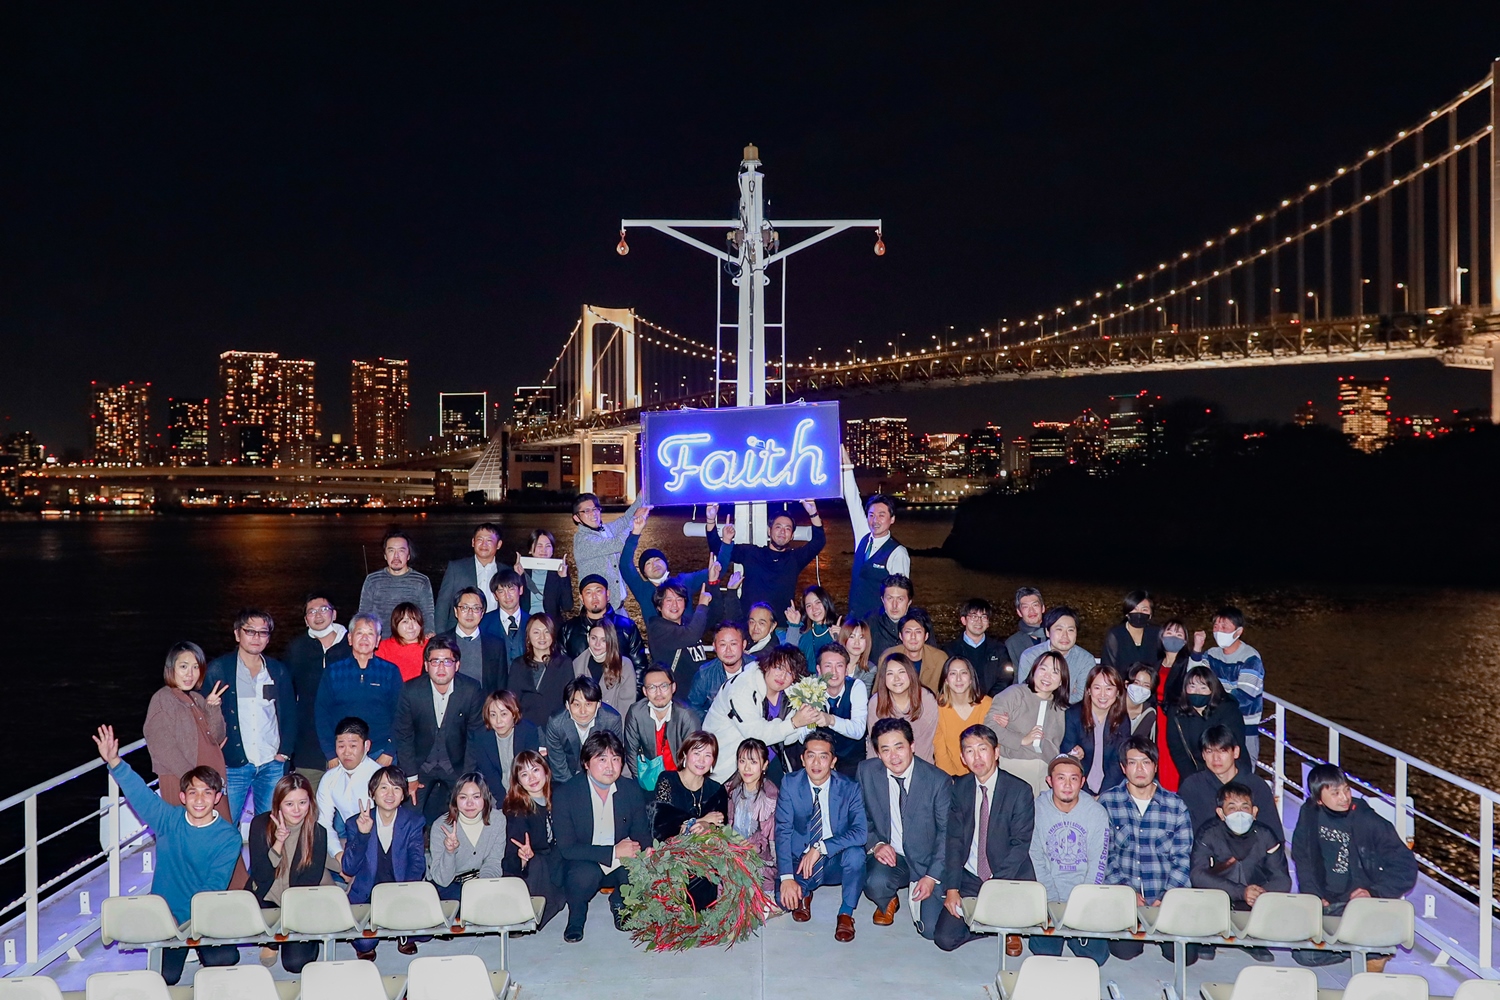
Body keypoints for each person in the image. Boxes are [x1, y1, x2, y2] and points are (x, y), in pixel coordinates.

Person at [92, 725, 241, 985]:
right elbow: (140, 794)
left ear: (217, 798)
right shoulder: (168, 820)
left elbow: (213, 886)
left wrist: (187, 924)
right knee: (167, 977)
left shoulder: (229, 837)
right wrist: (114, 761)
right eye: (193, 792)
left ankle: (199, 949)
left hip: (202, 914)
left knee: (224, 961)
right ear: (182, 796)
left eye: (207, 792)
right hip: (166, 913)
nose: (199, 799)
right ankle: (181, 948)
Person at [1290, 764, 1418, 970]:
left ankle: (1371, 946)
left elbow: (1406, 866)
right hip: (1328, 903)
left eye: (1346, 789)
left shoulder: (1368, 821)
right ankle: (1362, 945)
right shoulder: (1309, 813)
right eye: (1336, 793)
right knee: (1304, 956)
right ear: (1319, 800)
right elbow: (1302, 856)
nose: (1344, 797)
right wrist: (1312, 894)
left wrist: (1374, 892)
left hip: (1360, 903)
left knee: (1363, 939)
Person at [933, 725, 1038, 953]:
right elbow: (953, 842)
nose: (977, 757)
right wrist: (952, 889)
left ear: (996, 752)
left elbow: (1020, 845)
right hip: (970, 876)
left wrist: (995, 888)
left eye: (983, 749)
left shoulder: (1019, 790)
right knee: (944, 939)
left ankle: (1005, 924)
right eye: (969, 751)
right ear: (962, 758)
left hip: (1007, 876)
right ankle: (994, 926)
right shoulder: (960, 788)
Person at [1099, 737, 1194, 962]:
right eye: (1133, 763)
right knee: (1125, 952)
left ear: (1156, 766)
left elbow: (1183, 858)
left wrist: (1166, 897)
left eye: (1146, 762)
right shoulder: (1108, 802)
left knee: (1185, 956)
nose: (1140, 769)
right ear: (1123, 768)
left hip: (1166, 896)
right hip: (1124, 897)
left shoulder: (1175, 806)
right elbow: (1105, 856)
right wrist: (1127, 891)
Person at [554, 730, 651, 942]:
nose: (610, 766)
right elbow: (567, 848)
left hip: (622, 859)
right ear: (586, 763)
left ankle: (621, 904)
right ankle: (576, 917)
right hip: (586, 859)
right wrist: (613, 851)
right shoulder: (565, 794)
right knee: (581, 876)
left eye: (616, 759)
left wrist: (642, 851)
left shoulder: (631, 790)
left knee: (637, 870)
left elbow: (642, 834)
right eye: (602, 759)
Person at [858, 718, 951, 939]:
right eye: (885, 750)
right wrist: (876, 844)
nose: (894, 756)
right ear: (878, 754)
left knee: (930, 931)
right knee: (874, 883)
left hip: (927, 862)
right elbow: (859, 815)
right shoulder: (867, 772)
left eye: (899, 747)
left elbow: (947, 834)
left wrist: (931, 877)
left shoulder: (938, 781)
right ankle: (889, 897)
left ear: (912, 746)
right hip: (893, 856)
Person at [203, 608, 296, 824]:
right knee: (225, 825)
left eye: (263, 633)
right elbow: (202, 717)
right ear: (237, 634)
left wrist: (284, 752)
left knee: (269, 828)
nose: (256, 637)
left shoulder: (277, 671)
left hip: (271, 762)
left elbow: (290, 714)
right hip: (233, 765)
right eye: (250, 631)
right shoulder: (219, 670)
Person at [775, 729, 868, 941]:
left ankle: (846, 913)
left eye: (823, 756)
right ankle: (804, 893)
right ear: (802, 759)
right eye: (811, 755)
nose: (816, 763)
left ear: (833, 761)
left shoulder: (849, 788)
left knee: (856, 854)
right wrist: (787, 878)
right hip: (801, 860)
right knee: (784, 900)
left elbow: (861, 833)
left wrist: (821, 847)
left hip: (834, 858)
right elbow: (783, 831)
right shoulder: (790, 784)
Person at [1024, 755, 1111, 963]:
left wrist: (1082, 903)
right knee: (1045, 953)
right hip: (1048, 894)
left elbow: (1098, 863)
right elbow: (1035, 857)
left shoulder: (1096, 814)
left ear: (1082, 782)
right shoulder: (1036, 811)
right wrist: (1052, 901)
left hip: (1084, 896)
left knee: (1095, 957)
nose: (1067, 785)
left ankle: (1076, 933)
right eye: (1060, 778)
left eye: (1073, 779)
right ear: (1049, 781)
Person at [392, 636, 486, 825]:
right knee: (408, 817)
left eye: (447, 662)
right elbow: (404, 735)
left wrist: (467, 778)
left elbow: (475, 736)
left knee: (468, 813)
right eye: (435, 662)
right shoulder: (411, 690)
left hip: (456, 765)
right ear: (426, 666)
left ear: (457, 665)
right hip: (420, 765)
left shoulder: (471, 690)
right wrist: (410, 776)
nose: (441, 668)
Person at [247, 773, 332, 973]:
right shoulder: (260, 824)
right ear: (278, 804)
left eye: (302, 802)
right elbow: (261, 875)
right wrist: (278, 843)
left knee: (295, 964)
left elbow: (309, 883)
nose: (296, 810)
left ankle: (295, 934)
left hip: (298, 901)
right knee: (254, 924)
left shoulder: (318, 833)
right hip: (267, 895)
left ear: (310, 803)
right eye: (289, 804)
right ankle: (273, 941)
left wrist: (293, 919)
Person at [343, 765, 427, 959]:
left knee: (426, 931)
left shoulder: (414, 821)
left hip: (400, 891)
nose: (390, 794)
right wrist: (362, 836)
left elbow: (417, 864)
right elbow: (349, 867)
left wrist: (403, 895)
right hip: (367, 894)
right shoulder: (355, 822)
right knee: (365, 942)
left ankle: (403, 932)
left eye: (396, 788)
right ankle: (387, 929)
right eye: (383, 788)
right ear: (372, 793)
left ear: (404, 793)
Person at [704, 644, 820, 783]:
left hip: (765, 756)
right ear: (766, 665)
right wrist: (794, 723)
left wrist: (807, 719)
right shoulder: (742, 689)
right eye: (778, 668)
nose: (782, 676)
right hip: (730, 763)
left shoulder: (790, 693)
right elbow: (756, 735)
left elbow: (788, 738)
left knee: (785, 791)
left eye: (789, 673)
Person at [144, 641, 231, 821]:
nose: (189, 674)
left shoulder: (197, 699)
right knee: (191, 839)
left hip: (209, 783)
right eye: (183, 667)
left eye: (195, 667)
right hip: (184, 785)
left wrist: (213, 707)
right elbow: (164, 748)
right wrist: (194, 783)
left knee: (220, 835)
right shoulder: (163, 699)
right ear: (171, 669)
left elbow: (218, 736)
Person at [1190, 782, 1291, 928]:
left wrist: (1259, 894)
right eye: (1232, 808)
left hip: (1257, 906)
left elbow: (1283, 879)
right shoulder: (1208, 834)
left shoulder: (1266, 835)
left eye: (1245, 807)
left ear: (1254, 811)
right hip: (1215, 905)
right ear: (1220, 813)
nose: (1240, 813)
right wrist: (1241, 892)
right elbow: (1197, 875)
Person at [706, 499, 825, 623]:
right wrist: (710, 519)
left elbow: (818, 542)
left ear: (792, 535)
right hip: (749, 626)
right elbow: (717, 547)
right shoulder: (751, 553)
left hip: (780, 629)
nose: (782, 531)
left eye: (787, 528)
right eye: (778, 527)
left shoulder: (795, 559)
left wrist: (813, 513)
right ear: (769, 531)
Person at [315, 613, 401, 770]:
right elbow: (321, 714)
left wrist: (389, 751)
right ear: (349, 638)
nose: (364, 638)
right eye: (359, 633)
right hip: (343, 753)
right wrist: (331, 754)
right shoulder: (333, 671)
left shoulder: (390, 671)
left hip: (380, 752)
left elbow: (400, 714)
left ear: (377, 640)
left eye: (370, 634)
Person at [285, 592, 352, 790]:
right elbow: (288, 694)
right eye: (311, 611)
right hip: (308, 743)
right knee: (306, 802)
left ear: (334, 614)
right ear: (306, 620)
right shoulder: (296, 649)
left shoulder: (351, 644)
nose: (318, 615)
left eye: (324, 609)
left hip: (346, 739)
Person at [620, 504, 726, 622]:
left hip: (689, 639)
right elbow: (625, 565)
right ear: (644, 573)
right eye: (648, 563)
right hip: (660, 640)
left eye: (657, 560)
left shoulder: (685, 581)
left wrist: (725, 541)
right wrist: (636, 532)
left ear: (666, 563)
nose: (654, 564)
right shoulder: (642, 590)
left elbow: (718, 570)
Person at [1178, 725, 1282, 841]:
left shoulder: (1256, 786)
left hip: (1251, 855)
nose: (1216, 758)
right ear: (1203, 755)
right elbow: (1181, 834)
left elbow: (1275, 836)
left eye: (1223, 751)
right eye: (1209, 751)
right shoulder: (1191, 787)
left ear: (1236, 752)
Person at [1190, 607, 1265, 762]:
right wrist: (1197, 649)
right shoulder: (1211, 654)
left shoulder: (1250, 658)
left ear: (1238, 632)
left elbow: (1242, 697)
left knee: (1242, 776)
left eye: (1224, 627)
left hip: (1243, 728)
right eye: (1216, 627)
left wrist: (1210, 697)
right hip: (1213, 725)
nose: (1218, 631)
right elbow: (1194, 680)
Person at [502, 750, 565, 928]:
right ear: (518, 781)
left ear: (545, 770)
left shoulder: (561, 793)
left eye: (535, 770)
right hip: (533, 865)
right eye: (524, 774)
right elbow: (511, 856)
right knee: (538, 864)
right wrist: (523, 858)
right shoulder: (516, 809)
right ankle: (525, 916)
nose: (532, 778)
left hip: (559, 856)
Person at [428, 773, 507, 901]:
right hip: (450, 885)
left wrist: (481, 888)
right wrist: (450, 852)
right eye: (463, 797)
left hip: (482, 881)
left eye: (476, 797)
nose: (470, 803)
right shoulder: (441, 826)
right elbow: (442, 880)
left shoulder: (498, 820)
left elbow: (494, 862)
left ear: (485, 798)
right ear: (455, 799)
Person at [315, 717, 380, 867]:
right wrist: (338, 854)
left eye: (353, 745)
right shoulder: (330, 778)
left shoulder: (380, 776)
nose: (347, 752)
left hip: (377, 847)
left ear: (367, 746)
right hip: (349, 844)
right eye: (341, 746)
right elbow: (323, 822)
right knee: (309, 853)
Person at [986, 649, 1070, 764]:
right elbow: (989, 726)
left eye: (1055, 672)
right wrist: (1021, 739)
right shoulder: (1015, 694)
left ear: (1062, 680)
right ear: (1034, 670)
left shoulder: (1061, 708)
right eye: (1043, 669)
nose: (1047, 676)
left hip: (1048, 770)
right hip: (1013, 765)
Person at [1165, 666, 1247, 781]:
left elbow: (1236, 748)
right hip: (1194, 774)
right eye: (1192, 686)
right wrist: (1193, 779)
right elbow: (1177, 749)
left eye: (1203, 687)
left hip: (1228, 773)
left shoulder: (1229, 711)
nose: (1197, 692)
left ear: (1213, 690)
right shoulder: (1176, 712)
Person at [1062, 665, 1132, 796]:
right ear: (1088, 690)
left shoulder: (1122, 720)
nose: (1103, 694)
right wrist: (1086, 795)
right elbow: (1067, 756)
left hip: (1111, 788)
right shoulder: (1073, 715)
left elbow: (1118, 761)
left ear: (1117, 692)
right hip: (1078, 787)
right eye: (1097, 688)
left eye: (1109, 688)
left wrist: (1103, 795)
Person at [725, 738, 779, 902]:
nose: (747, 768)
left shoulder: (771, 796)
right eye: (742, 761)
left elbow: (771, 839)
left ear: (764, 765)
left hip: (759, 858)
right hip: (732, 852)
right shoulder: (730, 789)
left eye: (753, 762)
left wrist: (754, 847)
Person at [570, 491, 646, 609]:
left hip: (617, 606)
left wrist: (642, 496)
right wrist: (635, 521)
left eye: (595, 509)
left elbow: (625, 520)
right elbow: (618, 543)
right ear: (577, 518)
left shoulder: (605, 530)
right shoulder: (583, 541)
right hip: (598, 611)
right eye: (586, 511)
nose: (593, 513)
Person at [622, 667, 701, 779]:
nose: (658, 693)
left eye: (664, 686)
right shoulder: (636, 712)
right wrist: (641, 781)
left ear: (673, 687)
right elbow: (631, 752)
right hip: (649, 778)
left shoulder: (687, 716)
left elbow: (695, 757)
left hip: (680, 779)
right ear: (645, 691)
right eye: (652, 688)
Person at [357, 528, 435, 640]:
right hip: (380, 643)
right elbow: (364, 614)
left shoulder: (421, 581)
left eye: (401, 551)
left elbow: (427, 614)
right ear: (385, 555)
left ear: (408, 555)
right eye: (391, 551)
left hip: (410, 642)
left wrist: (429, 633)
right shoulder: (372, 580)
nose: (396, 556)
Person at [544, 676, 625, 783]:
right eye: (577, 704)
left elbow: (614, 758)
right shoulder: (556, 723)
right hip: (569, 774)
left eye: (588, 704)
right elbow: (558, 766)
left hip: (601, 773)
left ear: (598, 704)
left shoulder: (611, 720)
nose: (583, 711)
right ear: (567, 705)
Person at [652, 730, 728, 844]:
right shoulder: (667, 780)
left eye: (707, 755)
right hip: (671, 852)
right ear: (685, 754)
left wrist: (707, 826)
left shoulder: (717, 790)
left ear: (713, 761)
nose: (701, 760)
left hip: (706, 853)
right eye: (697, 753)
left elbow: (722, 827)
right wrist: (702, 820)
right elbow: (660, 829)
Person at [806, 643, 868, 779]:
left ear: (846, 670)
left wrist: (830, 720)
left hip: (852, 761)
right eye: (828, 666)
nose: (834, 672)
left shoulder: (856, 687)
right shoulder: (809, 690)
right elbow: (802, 736)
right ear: (819, 670)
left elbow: (858, 730)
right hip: (820, 760)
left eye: (839, 666)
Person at [560, 575, 648, 669]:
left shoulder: (627, 627)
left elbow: (639, 665)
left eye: (599, 591)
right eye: (588, 593)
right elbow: (562, 666)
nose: (594, 597)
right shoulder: (568, 629)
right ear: (581, 598)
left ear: (607, 594)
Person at [867, 653, 939, 765]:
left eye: (901, 672)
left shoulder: (926, 700)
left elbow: (925, 743)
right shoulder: (876, 703)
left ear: (910, 674)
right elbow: (875, 745)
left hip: (921, 765)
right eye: (890, 674)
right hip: (887, 764)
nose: (896, 678)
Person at [848, 493, 911, 621]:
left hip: (877, 625)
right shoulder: (863, 540)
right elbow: (852, 502)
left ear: (892, 519)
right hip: (854, 621)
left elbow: (900, 597)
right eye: (871, 515)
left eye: (881, 515)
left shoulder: (898, 553)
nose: (875, 520)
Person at [435, 522, 505, 633]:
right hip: (459, 630)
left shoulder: (506, 571)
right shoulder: (456, 568)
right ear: (473, 542)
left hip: (495, 630)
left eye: (489, 540)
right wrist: (440, 634)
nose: (484, 544)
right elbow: (443, 604)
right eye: (480, 539)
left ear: (499, 544)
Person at [437, 586, 509, 693]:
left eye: (476, 608)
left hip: (484, 706)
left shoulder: (496, 645)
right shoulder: (439, 642)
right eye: (465, 608)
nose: (470, 613)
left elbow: (501, 684)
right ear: (456, 611)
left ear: (482, 613)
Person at [1015, 606, 1093, 704]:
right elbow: (1025, 692)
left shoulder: (1085, 660)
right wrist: (1065, 695)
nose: (1065, 635)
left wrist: (1045, 696)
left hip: (1067, 712)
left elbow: (1081, 696)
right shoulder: (1030, 656)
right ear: (1047, 632)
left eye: (1070, 630)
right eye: (1059, 629)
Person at [472, 690, 542, 796]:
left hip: (526, 789)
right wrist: (503, 800)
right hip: (495, 792)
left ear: (514, 713)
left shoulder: (528, 731)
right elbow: (489, 773)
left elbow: (528, 769)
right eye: (493, 715)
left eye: (503, 714)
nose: (498, 721)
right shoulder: (481, 737)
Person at [509, 613, 573, 727]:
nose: (542, 637)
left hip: (555, 728)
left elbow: (569, 700)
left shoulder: (565, 664)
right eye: (536, 632)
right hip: (525, 728)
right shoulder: (518, 665)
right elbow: (512, 701)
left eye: (546, 631)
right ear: (528, 636)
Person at [932, 656, 992, 777]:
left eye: (963, 673)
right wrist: (952, 779)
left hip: (984, 773)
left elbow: (991, 746)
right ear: (946, 680)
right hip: (951, 776)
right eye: (953, 673)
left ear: (971, 678)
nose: (958, 678)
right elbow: (940, 752)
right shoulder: (937, 708)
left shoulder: (987, 705)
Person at [943, 598, 1011, 697]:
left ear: (988, 622)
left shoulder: (999, 649)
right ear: (963, 620)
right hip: (960, 703)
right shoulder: (950, 650)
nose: (979, 621)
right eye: (973, 616)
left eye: (983, 617)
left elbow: (1006, 677)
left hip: (993, 703)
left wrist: (989, 699)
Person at [645, 578, 713, 677]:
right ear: (659, 607)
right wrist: (702, 605)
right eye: (669, 600)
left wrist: (714, 583)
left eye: (679, 599)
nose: (674, 604)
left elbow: (716, 615)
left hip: (700, 689)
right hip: (678, 691)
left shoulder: (688, 622)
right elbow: (692, 635)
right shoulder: (658, 629)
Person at [572, 618, 638, 718]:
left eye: (604, 640)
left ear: (611, 642)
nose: (597, 644)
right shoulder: (577, 664)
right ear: (587, 638)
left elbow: (626, 706)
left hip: (612, 726)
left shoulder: (624, 665)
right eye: (594, 638)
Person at [686, 620, 752, 715]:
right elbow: (693, 707)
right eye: (722, 644)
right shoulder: (705, 674)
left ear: (743, 645)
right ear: (714, 646)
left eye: (733, 644)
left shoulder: (757, 668)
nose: (728, 650)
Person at [879, 609, 947, 692]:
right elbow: (879, 692)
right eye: (908, 632)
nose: (913, 637)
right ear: (901, 636)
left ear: (926, 636)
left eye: (918, 632)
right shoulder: (888, 656)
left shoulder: (940, 659)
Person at [516, 528, 573, 620]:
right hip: (526, 621)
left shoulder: (559, 572)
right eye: (539, 546)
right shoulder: (522, 571)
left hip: (550, 622)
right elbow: (512, 603)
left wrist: (563, 578)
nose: (544, 550)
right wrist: (517, 577)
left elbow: (567, 606)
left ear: (552, 550)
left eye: (548, 546)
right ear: (530, 549)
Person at [1101, 590, 1163, 672]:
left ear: (1151, 614)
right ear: (1127, 613)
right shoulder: (1116, 634)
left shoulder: (1157, 633)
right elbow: (1108, 667)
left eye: (1144, 610)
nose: (1139, 613)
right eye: (1135, 609)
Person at [479, 568, 531, 665]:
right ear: (495, 596)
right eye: (501, 591)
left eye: (511, 589)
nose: (507, 596)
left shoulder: (532, 622)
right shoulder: (483, 623)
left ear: (521, 590)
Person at [783, 585, 838, 666]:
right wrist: (794, 626)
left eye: (818, 602)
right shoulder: (804, 632)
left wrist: (840, 640)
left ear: (826, 602)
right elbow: (789, 657)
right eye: (809, 605)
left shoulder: (839, 630)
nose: (814, 609)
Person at [375, 602, 428, 682]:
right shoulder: (383, 647)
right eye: (405, 622)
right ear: (395, 624)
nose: (411, 627)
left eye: (415, 621)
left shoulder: (431, 645)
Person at [865, 574, 912, 657]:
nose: (894, 605)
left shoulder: (920, 623)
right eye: (890, 598)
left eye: (900, 599)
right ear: (882, 600)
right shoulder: (870, 621)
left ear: (909, 602)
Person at [1003, 587, 1048, 671]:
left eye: (1035, 605)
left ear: (1043, 608)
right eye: (1025, 607)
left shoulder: (1056, 635)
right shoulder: (1012, 643)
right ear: (1019, 612)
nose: (1031, 611)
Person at [838, 615, 877, 691]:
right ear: (844, 639)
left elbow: (864, 695)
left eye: (861, 637)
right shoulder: (832, 662)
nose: (857, 642)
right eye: (852, 637)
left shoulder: (870, 669)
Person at [1124, 663, 1159, 739]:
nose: (1140, 688)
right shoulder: (1112, 707)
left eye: (1146, 685)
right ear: (1126, 684)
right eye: (1136, 683)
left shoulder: (1150, 714)